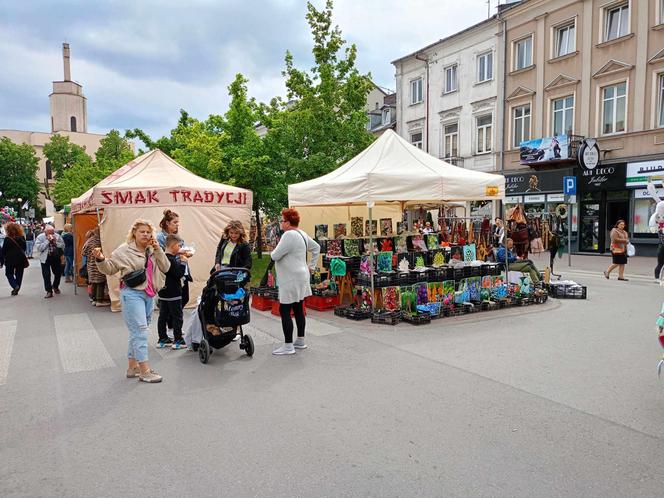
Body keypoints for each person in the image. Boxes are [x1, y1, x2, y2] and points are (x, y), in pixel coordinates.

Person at [93, 219, 170, 383]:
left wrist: (158, 250)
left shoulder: (152, 249)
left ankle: (132, 367)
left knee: (137, 331)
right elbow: (110, 268)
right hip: (132, 294)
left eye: (148, 232)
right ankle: (145, 371)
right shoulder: (124, 250)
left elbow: (166, 267)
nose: (146, 234)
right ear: (134, 233)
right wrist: (100, 259)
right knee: (140, 331)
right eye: (142, 231)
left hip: (149, 293)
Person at [270, 208, 320, 355]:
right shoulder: (301, 233)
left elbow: (274, 255)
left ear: (288, 222)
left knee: (284, 309)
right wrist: (311, 266)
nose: (280, 223)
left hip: (290, 278)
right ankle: (300, 340)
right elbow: (316, 247)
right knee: (298, 307)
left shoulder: (289, 235)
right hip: (301, 275)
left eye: (282, 220)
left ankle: (288, 345)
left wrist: (275, 250)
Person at [157, 234, 188, 350]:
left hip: (163, 293)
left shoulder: (162, 258)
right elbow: (178, 274)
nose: (180, 248)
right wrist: (183, 263)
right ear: (173, 245)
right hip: (174, 293)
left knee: (163, 316)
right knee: (177, 316)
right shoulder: (171, 259)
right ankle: (178, 340)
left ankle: (162, 339)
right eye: (179, 246)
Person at [81, 228, 110, 306]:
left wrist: (90, 256)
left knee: (94, 282)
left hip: (90, 265)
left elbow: (83, 253)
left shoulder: (89, 241)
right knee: (100, 282)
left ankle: (94, 299)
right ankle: (99, 301)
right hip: (98, 263)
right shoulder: (100, 241)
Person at [35, 225, 65, 298]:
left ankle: (55, 286)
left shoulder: (57, 236)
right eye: (49, 233)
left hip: (56, 257)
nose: (51, 234)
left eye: (52, 232)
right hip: (45, 258)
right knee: (46, 275)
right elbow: (39, 248)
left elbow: (63, 245)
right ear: (45, 232)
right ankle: (49, 291)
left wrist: (55, 243)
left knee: (58, 273)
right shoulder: (40, 237)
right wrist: (47, 241)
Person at [2, 222, 27, 296]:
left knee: (9, 273)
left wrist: (3, 259)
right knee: (19, 274)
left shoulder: (7, 239)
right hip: (20, 258)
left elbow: (4, 250)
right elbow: (24, 248)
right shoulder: (22, 237)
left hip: (9, 259)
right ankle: (17, 288)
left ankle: (15, 286)